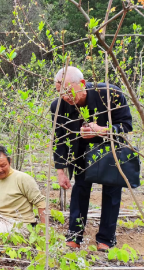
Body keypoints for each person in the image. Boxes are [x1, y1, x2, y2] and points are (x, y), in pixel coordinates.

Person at [51, 66, 133, 251]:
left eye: (68, 91)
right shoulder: (58, 107)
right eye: (60, 92)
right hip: (79, 153)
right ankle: (74, 236)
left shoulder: (110, 94)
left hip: (109, 150)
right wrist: (60, 171)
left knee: (112, 192)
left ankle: (106, 239)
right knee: (80, 190)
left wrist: (103, 130)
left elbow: (126, 125)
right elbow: (60, 140)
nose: (65, 97)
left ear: (81, 84)